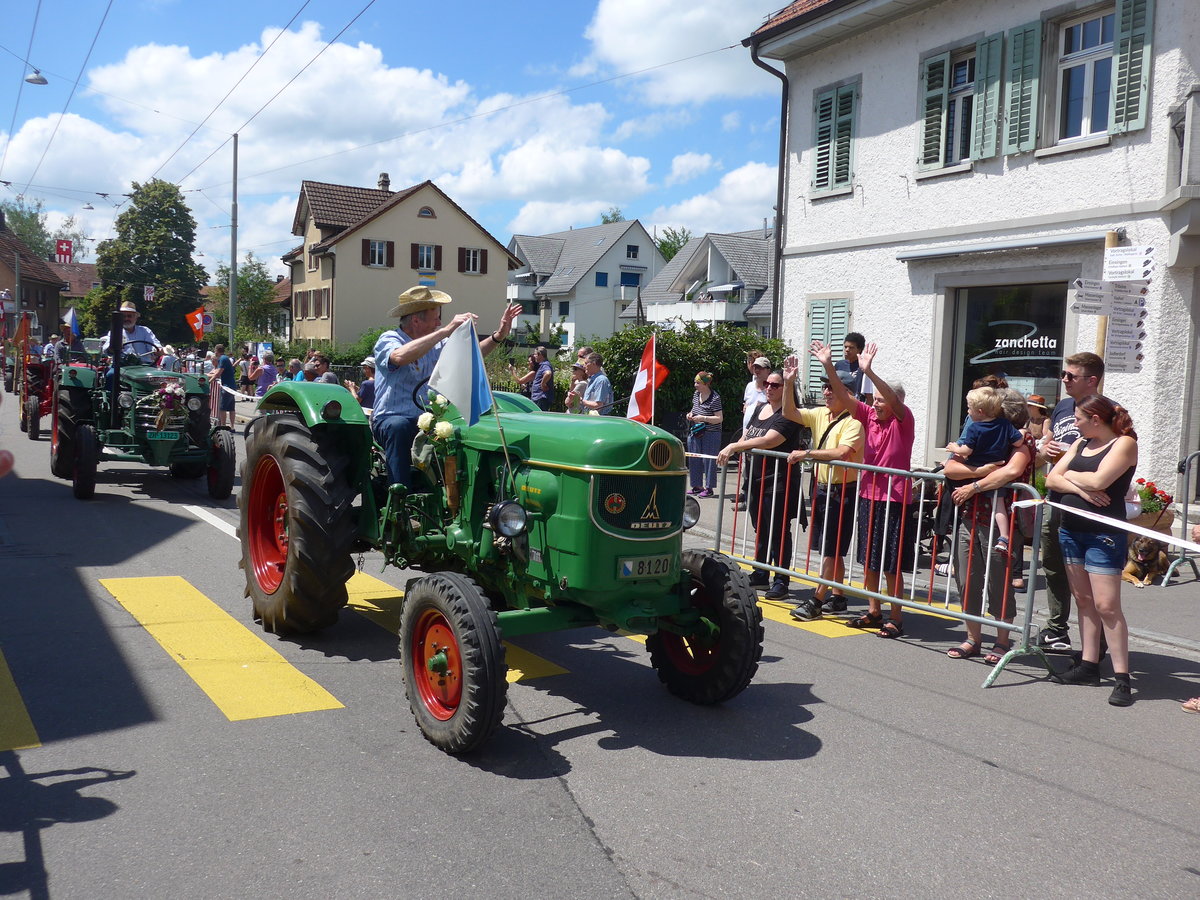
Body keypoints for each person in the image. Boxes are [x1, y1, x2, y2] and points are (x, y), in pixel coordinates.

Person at [813, 340, 915, 637]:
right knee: (869, 558)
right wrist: (828, 365)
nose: (875, 403)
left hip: (895, 499)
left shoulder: (902, 418)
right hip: (869, 497)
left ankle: (895, 617)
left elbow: (893, 402)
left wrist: (869, 371)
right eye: (874, 399)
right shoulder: (869, 416)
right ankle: (874, 611)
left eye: (881, 399)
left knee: (891, 564)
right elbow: (844, 396)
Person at [372, 285, 520, 487]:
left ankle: (457, 494)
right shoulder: (389, 339)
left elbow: (470, 356)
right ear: (416, 320)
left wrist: (498, 336)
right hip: (391, 417)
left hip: (430, 419)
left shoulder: (438, 344)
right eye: (436, 319)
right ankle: (399, 497)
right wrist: (446, 331)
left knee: (462, 431)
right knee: (398, 427)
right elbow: (399, 357)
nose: (440, 323)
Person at [1046, 395, 1138, 706]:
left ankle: (1122, 677)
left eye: (1079, 419)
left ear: (1096, 420)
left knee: (1107, 606)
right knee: (1083, 600)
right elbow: (1052, 479)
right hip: (1072, 530)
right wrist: (1075, 484)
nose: (1074, 423)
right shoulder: (1080, 444)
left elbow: (1101, 480)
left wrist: (1069, 477)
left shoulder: (1123, 444)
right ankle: (1088, 665)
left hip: (1104, 535)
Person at [943, 393, 1034, 663]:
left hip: (1000, 519)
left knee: (999, 581)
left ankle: (1002, 641)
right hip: (970, 513)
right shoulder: (978, 431)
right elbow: (950, 468)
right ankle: (972, 638)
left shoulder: (1019, 437)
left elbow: (1011, 471)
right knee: (967, 578)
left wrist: (972, 484)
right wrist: (982, 471)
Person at [782, 361, 865, 620]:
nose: (826, 392)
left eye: (832, 388)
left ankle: (817, 600)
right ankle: (838, 597)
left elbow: (841, 453)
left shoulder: (854, 422)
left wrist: (806, 453)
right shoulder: (820, 413)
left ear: (847, 393)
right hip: (822, 488)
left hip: (843, 491)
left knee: (831, 548)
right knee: (831, 547)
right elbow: (789, 413)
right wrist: (788, 382)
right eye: (825, 387)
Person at [1034, 351, 1106, 652]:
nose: (1063, 380)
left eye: (1070, 376)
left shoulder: (1109, 410)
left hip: (1088, 503)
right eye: (1063, 374)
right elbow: (1043, 454)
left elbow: (1112, 460)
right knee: (1053, 566)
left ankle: (1097, 642)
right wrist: (1044, 447)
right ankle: (1056, 630)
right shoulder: (1063, 406)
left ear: (1091, 380)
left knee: (1091, 578)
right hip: (1056, 498)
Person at [716, 370, 805, 601]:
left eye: (776, 385)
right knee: (761, 528)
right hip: (756, 479)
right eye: (767, 383)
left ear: (786, 388)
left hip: (778, 481)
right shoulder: (758, 408)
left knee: (778, 531)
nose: (769, 387)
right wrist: (735, 445)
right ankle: (760, 572)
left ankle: (781, 580)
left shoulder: (789, 414)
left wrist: (734, 447)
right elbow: (747, 436)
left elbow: (770, 440)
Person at [944, 386, 1024, 554]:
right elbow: (1017, 442)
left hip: (979, 471)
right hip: (997, 470)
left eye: (969, 408)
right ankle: (1004, 536)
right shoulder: (1004, 424)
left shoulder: (974, 428)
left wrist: (954, 448)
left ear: (979, 411)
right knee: (999, 505)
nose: (967, 411)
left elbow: (967, 451)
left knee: (964, 495)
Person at [735, 354, 770, 509]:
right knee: (746, 470)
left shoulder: (771, 387)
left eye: (760, 368)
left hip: (761, 436)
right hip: (746, 434)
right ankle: (747, 499)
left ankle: (756, 501)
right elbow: (747, 403)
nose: (756, 370)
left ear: (767, 370)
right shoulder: (750, 386)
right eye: (755, 367)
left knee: (758, 471)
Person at [685, 372, 723, 497]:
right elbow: (694, 409)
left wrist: (703, 418)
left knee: (709, 460)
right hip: (696, 431)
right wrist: (690, 415)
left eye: (698, 383)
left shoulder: (715, 398)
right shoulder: (696, 394)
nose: (695, 385)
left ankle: (709, 488)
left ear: (706, 384)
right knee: (694, 457)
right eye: (695, 382)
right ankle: (697, 486)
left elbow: (719, 418)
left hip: (711, 433)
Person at [834, 332, 874, 403]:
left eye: (851, 347)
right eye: (845, 347)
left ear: (859, 350)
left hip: (855, 408)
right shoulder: (839, 365)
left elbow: (869, 399)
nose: (847, 350)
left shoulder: (864, 368)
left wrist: (864, 413)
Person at [208, 343, 237, 428]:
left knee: (222, 408)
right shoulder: (226, 358)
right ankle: (232, 426)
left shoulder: (222, 359)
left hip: (227, 387)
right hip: (232, 386)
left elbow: (218, 373)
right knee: (231, 408)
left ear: (216, 351)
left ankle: (223, 425)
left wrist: (209, 381)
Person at [530, 346, 554, 411]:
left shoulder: (545, 365)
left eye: (535, 354)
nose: (534, 356)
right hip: (539, 398)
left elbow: (548, 373)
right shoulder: (542, 365)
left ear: (540, 355)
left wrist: (542, 384)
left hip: (541, 398)